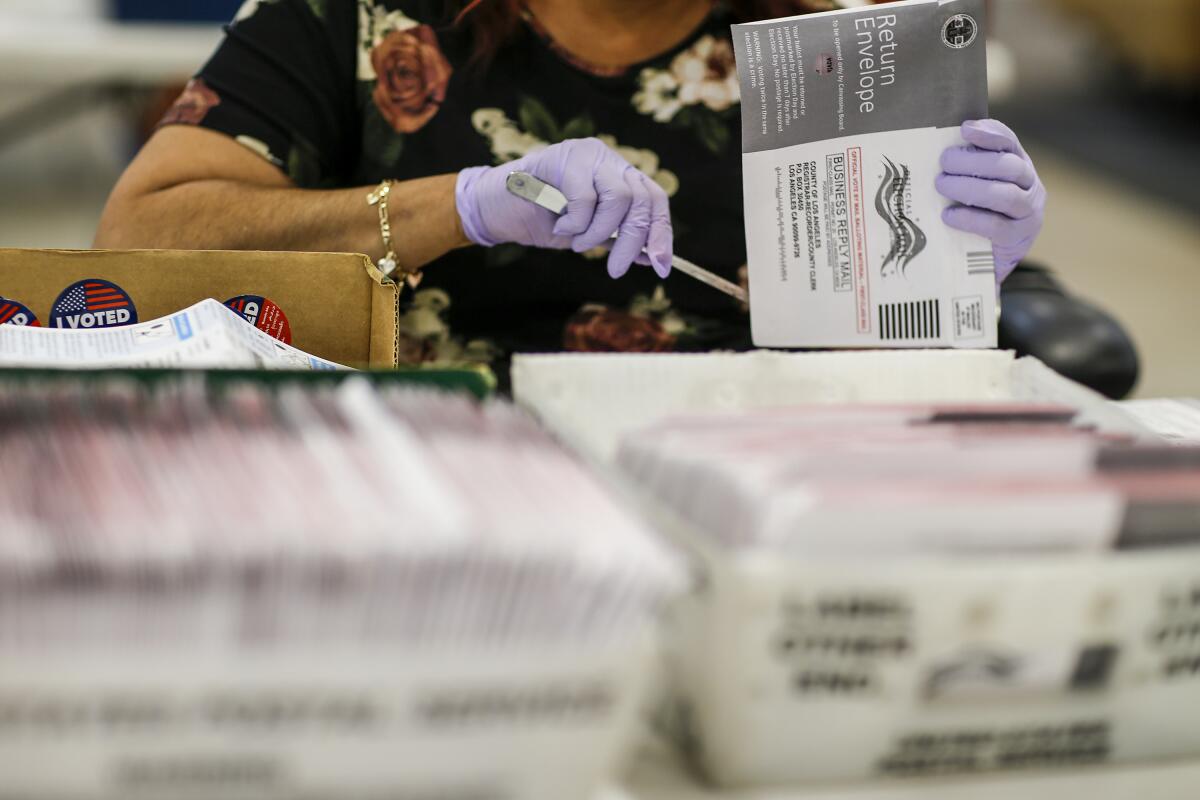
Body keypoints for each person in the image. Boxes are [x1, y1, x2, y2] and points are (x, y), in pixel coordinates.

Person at [94, 0, 1137, 396]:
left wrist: (962, 270)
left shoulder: (845, 48)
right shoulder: (352, 16)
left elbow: (874, 400)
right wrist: (456, 204)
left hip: (732, 488)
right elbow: (139, 243)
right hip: (427, 473)